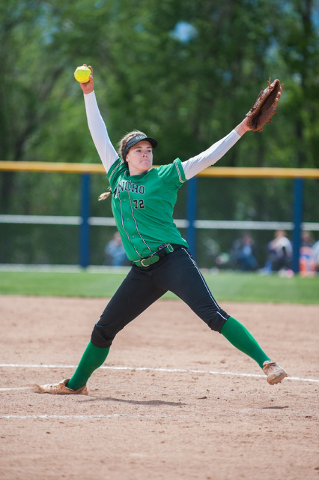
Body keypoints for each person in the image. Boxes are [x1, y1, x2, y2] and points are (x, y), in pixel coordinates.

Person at [34, 65, 287, 395]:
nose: (145, 153)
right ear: (125, 156)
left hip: (172, 261)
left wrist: (242, 127)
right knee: (103, 329)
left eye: (149, 149)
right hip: (142, 272)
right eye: (138, 149)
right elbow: (98, 131)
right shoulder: (117, 176)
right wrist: (88, 93)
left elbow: (208, 157)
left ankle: (267, 363)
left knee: (213, 315)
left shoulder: (165, 175)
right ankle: (76, 384)